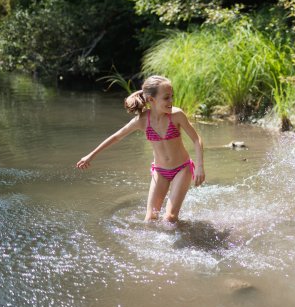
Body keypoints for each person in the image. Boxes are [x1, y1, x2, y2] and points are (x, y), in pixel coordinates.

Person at [76, 75, 205, 223]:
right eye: (166, 98)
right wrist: (90, 156)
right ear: (151, 100)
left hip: (182, 169)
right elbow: (117, 137)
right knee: (150, 219)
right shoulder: (142, 120)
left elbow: (196, 139)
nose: (171, 101)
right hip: (160, 171)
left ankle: (183, 241)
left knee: (169, 218)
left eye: (172, 97)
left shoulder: (176, 115)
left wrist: (200, 167)